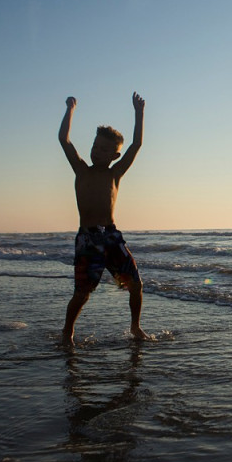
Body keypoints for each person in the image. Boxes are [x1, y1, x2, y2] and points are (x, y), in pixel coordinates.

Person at [58, 93, 150, 345]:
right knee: (82, 293)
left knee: (136, 284)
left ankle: (135, 327)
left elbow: (136, 145)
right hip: (88, 238)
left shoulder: (115, 173)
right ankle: (68, 332)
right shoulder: (80, 169)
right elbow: (64, 140)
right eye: (95, 147)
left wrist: (139, 113)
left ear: (114, 156)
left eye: (104, 150)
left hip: (111, 235)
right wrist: (70, 110)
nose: (97, 152)